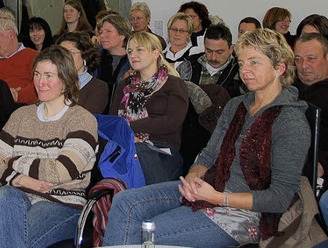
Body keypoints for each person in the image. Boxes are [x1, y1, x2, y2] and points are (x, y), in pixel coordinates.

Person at [102, 29, 311, 247]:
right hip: (209, 187)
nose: (244, 70)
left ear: (279, 68)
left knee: (143, 229)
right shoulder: (236, 105)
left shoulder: (290, 122)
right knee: (124, 202)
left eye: (254, 63)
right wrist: (193, 178)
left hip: (241, 212)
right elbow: (209, 154)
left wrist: (218, 198)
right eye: (241, 63)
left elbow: (279, 197)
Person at [0, 45, 98, 247]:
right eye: (37, 74)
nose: (40, 82)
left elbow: (62, 171)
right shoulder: (21, 116)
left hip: (62, 204)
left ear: (66, 80)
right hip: (18, 194)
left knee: (16, 238)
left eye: (48, 75)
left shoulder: (82, 119)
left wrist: (14, 162)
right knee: (3, 196)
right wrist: (22, 180)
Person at [109, 31, 189, 184]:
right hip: (126, 145)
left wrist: (130, 126)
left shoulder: (174, 84)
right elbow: (113, 123)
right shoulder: (124, 85)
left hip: (162, 149)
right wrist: (129, 137)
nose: (133, 55)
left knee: (140, 152)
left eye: (139, 50)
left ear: (156, 53)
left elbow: (171, 122)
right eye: (130, 51)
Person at [294, 33, 328, 186]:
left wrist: (322, 165)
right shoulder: (288, 90)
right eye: (298, 59)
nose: (303, 65)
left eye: (311, 58)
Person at [0, 19, 38, 104]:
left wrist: (16, 96)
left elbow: (40, 85)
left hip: (26, 108)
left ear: (11, 34)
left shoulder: (35, 56)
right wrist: (6, 95)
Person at [179, 24, 242, 97]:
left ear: (231, 49)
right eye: (209, 51)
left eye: (219, 52)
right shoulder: (188, 66)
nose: (213, 58)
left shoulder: (239, 71)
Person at [57, 31, 108, 114]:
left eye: (71, 53)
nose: (65, 58)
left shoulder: (98, 87)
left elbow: (86, 120)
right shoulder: (52, 82)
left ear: (85, 55)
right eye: (61, 53)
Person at [95, 14, 132, 92]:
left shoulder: (133, 60)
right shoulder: (94, 57)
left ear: (122, 35)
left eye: (108, 31)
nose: (102, 35)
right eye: (101, 32)